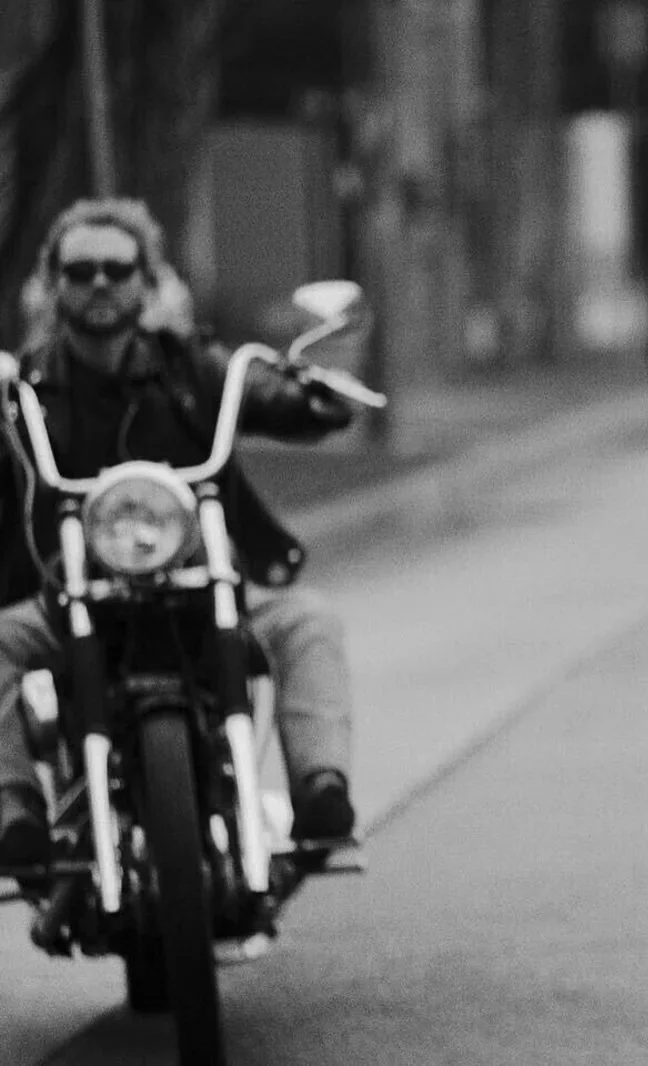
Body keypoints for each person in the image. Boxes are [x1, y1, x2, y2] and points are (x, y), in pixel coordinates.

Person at [0, 197, 359, 868]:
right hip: (66, 598)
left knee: (308, 619)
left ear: (148, 278)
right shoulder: (22, 389)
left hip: (200, 587)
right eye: (81, 272)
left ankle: (321, 790)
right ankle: (14, 812)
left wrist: (321, 389)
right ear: (51, 285)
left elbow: (273, 402)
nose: (100, 283)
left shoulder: (194, 371)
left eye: (117, 267)